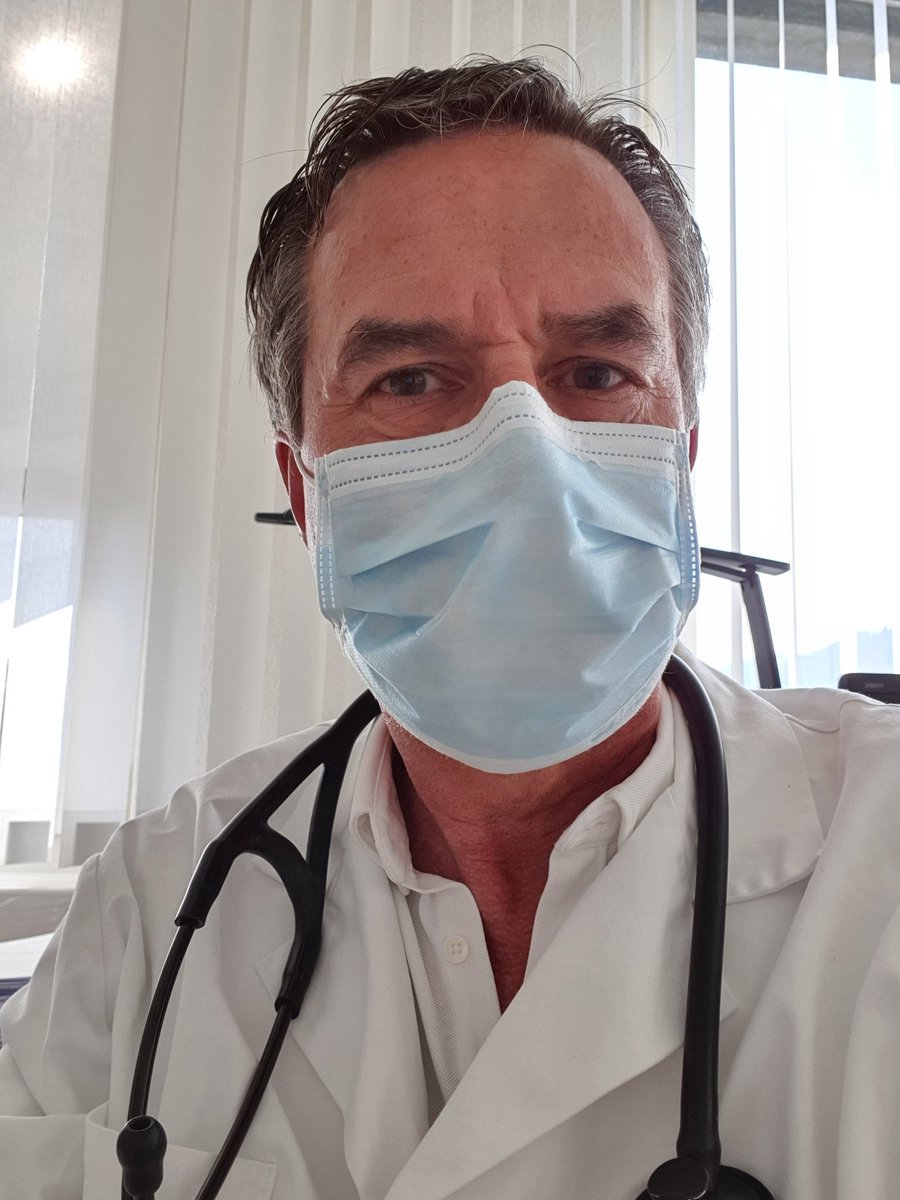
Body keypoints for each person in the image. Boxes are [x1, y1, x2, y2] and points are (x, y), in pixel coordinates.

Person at [1, 56, 899, 1200]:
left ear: (681, 457)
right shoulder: (151, 909)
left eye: (598, 371)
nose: (525, 460)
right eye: (412, 381)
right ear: (307, 492)